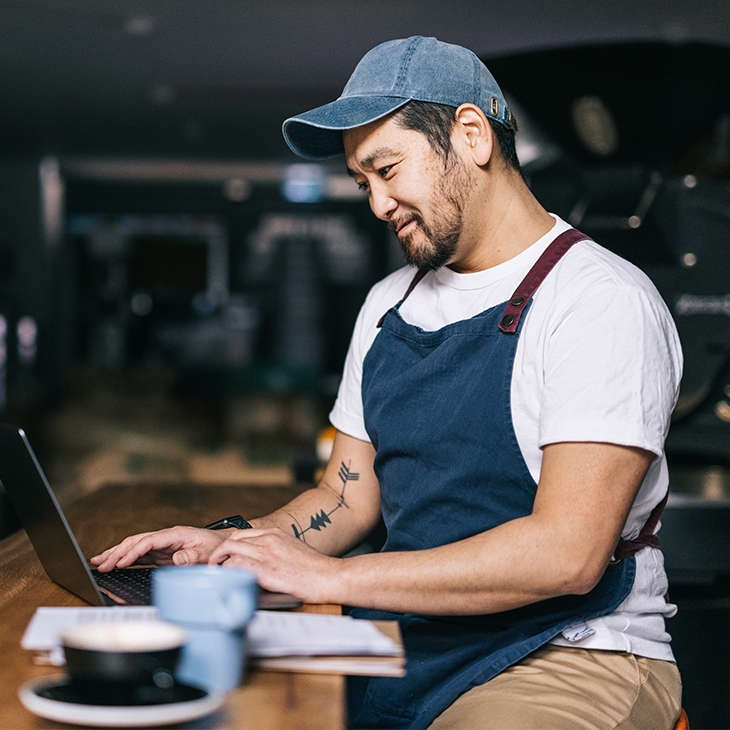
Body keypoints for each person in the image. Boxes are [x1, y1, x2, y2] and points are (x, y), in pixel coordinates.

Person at [92, 36, 683, 729]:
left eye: (387, 168)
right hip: (404, 641)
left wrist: (333, 580)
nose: (376, 203)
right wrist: (239, 543)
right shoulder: (388, 304)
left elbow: (567, 554)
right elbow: (346, 498)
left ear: (470, 135)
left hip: (567, 654)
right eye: (361, 181)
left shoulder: (597, 298)